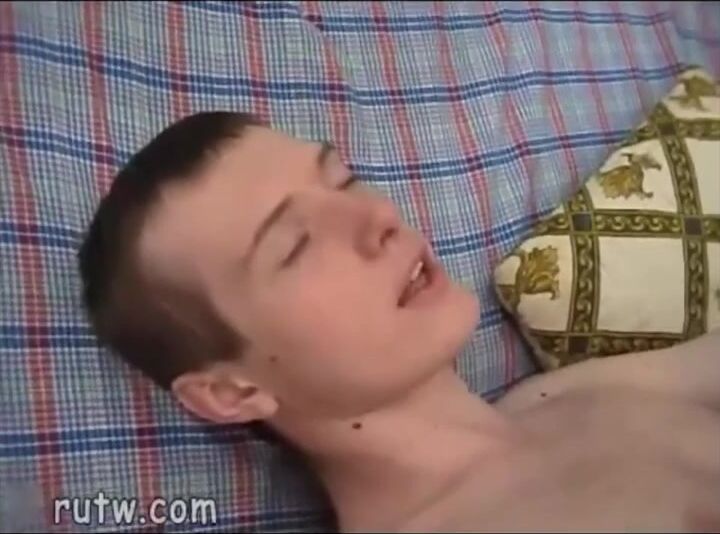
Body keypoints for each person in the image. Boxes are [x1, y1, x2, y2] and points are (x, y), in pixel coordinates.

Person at [78, 111, 720, 533]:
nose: (378, 219)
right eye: (297, 245)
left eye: (345, 181)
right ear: (232, 391)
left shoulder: (569, 397)